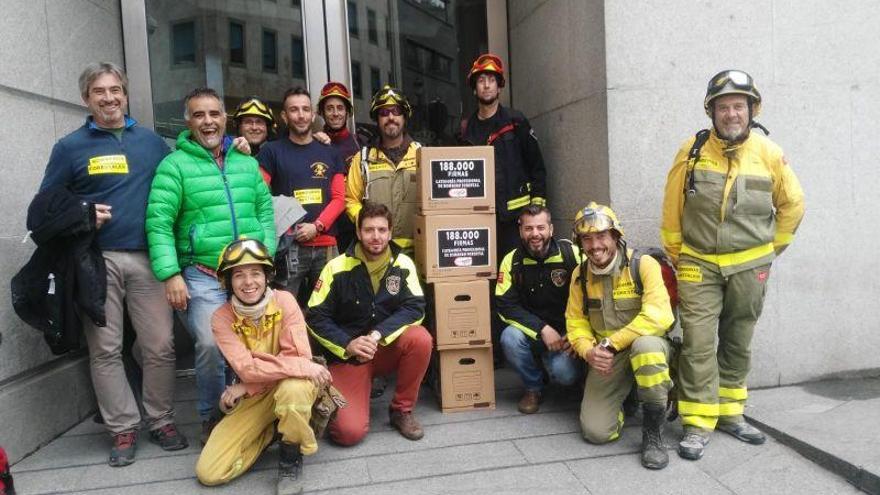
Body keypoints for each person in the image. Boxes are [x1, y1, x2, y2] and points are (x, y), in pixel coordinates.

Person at [38, 62, 185, 466]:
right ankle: (122, 429)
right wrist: (82, 212)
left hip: (148, 259)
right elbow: (45, 207)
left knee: (160, 344)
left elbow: (186, 173)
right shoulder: (69, 148)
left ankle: (161, 419)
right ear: (86, 98)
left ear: (125, 93)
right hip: (95, 262)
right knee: (104, 349)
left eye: (115, 89)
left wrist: (236, 146)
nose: (109, 98)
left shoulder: (152, 143)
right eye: (99, 91)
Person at [661, 70, 805, 460]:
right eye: (723, 107)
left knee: (738, 341)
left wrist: (770, 251)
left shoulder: (769, 154)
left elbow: (793, 204)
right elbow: (672, 209)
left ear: (751, 109)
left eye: (738, 106)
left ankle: (729, 413)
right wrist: (679, 255)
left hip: (750, 267)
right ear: (712, 112)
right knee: (698, 344)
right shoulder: (691, 151)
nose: (731, 114)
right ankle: (696, 423)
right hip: (698, 264)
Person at [146, 87, 276, 444]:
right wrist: (170, 274)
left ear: (224, 118)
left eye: (214, 114)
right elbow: (158, 222)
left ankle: (256, 409)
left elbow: (265, 211)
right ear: (188, 121)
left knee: (259, 341)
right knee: (208, 343)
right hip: (202, 276)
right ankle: (212, 415)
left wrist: (267, 254)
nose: (208, 122)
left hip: (248, 274)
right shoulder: (174, 166)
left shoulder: (246, 162)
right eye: (199, 115)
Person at [195, 238, 331, 495]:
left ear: (267, 276)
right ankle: (270, 431)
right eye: (239, 275)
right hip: (256, 393)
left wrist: (250, 379)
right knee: (209, 472)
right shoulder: (221, 318)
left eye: (256, 273)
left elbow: (298, 359)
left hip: (288, 386)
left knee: (293, 390)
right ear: (227, 281)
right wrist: (248, 382)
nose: (249, 283)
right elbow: (251, 369)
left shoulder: (285, 301)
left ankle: (290, 458)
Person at [306, 201, 432, 445]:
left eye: (382, 230)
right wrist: (348, 344)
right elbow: (315, 316)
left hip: (383, 348)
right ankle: (334, 394)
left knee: (420, 338)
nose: (376, 237)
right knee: (347, 434)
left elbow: (415, 307)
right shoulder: (336, 267)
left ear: (391, 231)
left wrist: (377, 335)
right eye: (369, 230)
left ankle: (401, 411)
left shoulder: (402, 264)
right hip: (348, 357)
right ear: (358, 232)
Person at [566, 202, 675, 470]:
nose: (595, 245)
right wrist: (589, 351)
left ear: (616, 236)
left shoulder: (643, 265)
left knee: (646, 347)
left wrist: (610, 343)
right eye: (587, 239)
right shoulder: (580, 275)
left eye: (601, 236)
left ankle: (653, 433)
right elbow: (575, 322)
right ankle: (625, 402)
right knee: (596, 433)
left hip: (646, 347)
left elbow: (658, 316)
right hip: (607, 357)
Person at [257, 87, 345, 301]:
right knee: (283, 311)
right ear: (285, 116)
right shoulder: (271, 151)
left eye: (306, 109)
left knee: (328, 311)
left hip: (326, 247)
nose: (301, 115)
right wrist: (287, 227)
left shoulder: (331, 153)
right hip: (289, 249)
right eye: (294, 110)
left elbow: (340, 199)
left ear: (313, 115)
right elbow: (260, 196)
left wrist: (317, 226)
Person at [460, 53, 547, 260]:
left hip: (515, 222)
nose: (487, 85)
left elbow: (537, 168)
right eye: (481, 81)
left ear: (499, 87)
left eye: (492, 80)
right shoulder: (464, 131)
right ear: (474, 88)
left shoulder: (516, 122)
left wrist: (536, 212)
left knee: (516, 275)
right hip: (480, 220)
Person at [496, 205, 583, 414]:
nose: (535, 234)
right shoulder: (512, 260)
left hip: (567, 333)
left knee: (565, 376)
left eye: (540, 227)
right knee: (509, 337)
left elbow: (592, 296)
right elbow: (505, 305)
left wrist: (577, 332)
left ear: (551, 229)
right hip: (533, 332)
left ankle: (564, 374)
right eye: (528, 228)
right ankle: (533, 387)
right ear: (520, 231)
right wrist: (543, 329)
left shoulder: (572, 254)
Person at [345, 85, 421, 255]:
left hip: (418, 251)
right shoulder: (363, 159)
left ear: (405, 116)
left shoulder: (422, 155)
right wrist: (369, 227)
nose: (391, 117)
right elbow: (351, 200)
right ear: (377, 119)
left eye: (396, 111)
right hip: (375, 252)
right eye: (384, 113)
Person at [318, 81, 363, 252]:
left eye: (340, 108)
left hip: (353, 228)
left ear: (347, 112)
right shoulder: (314, 143)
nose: (335, 113)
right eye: (330, 108)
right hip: (325, 229)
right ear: (321, 112)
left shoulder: (360, 143)